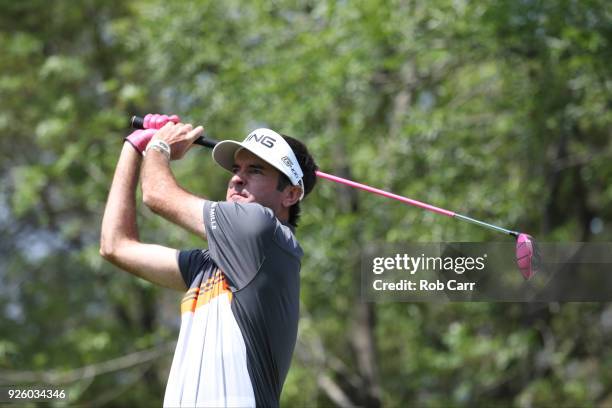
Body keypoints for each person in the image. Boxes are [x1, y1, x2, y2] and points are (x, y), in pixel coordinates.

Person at [100, 113, 318, 407]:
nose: (237, 178)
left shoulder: (261, 229)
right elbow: (115, 245)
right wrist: (133, 147)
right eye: (236, 168)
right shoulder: (208, 265)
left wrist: (159, 147)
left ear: (291, 194)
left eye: (255, 170)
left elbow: (155, 195)